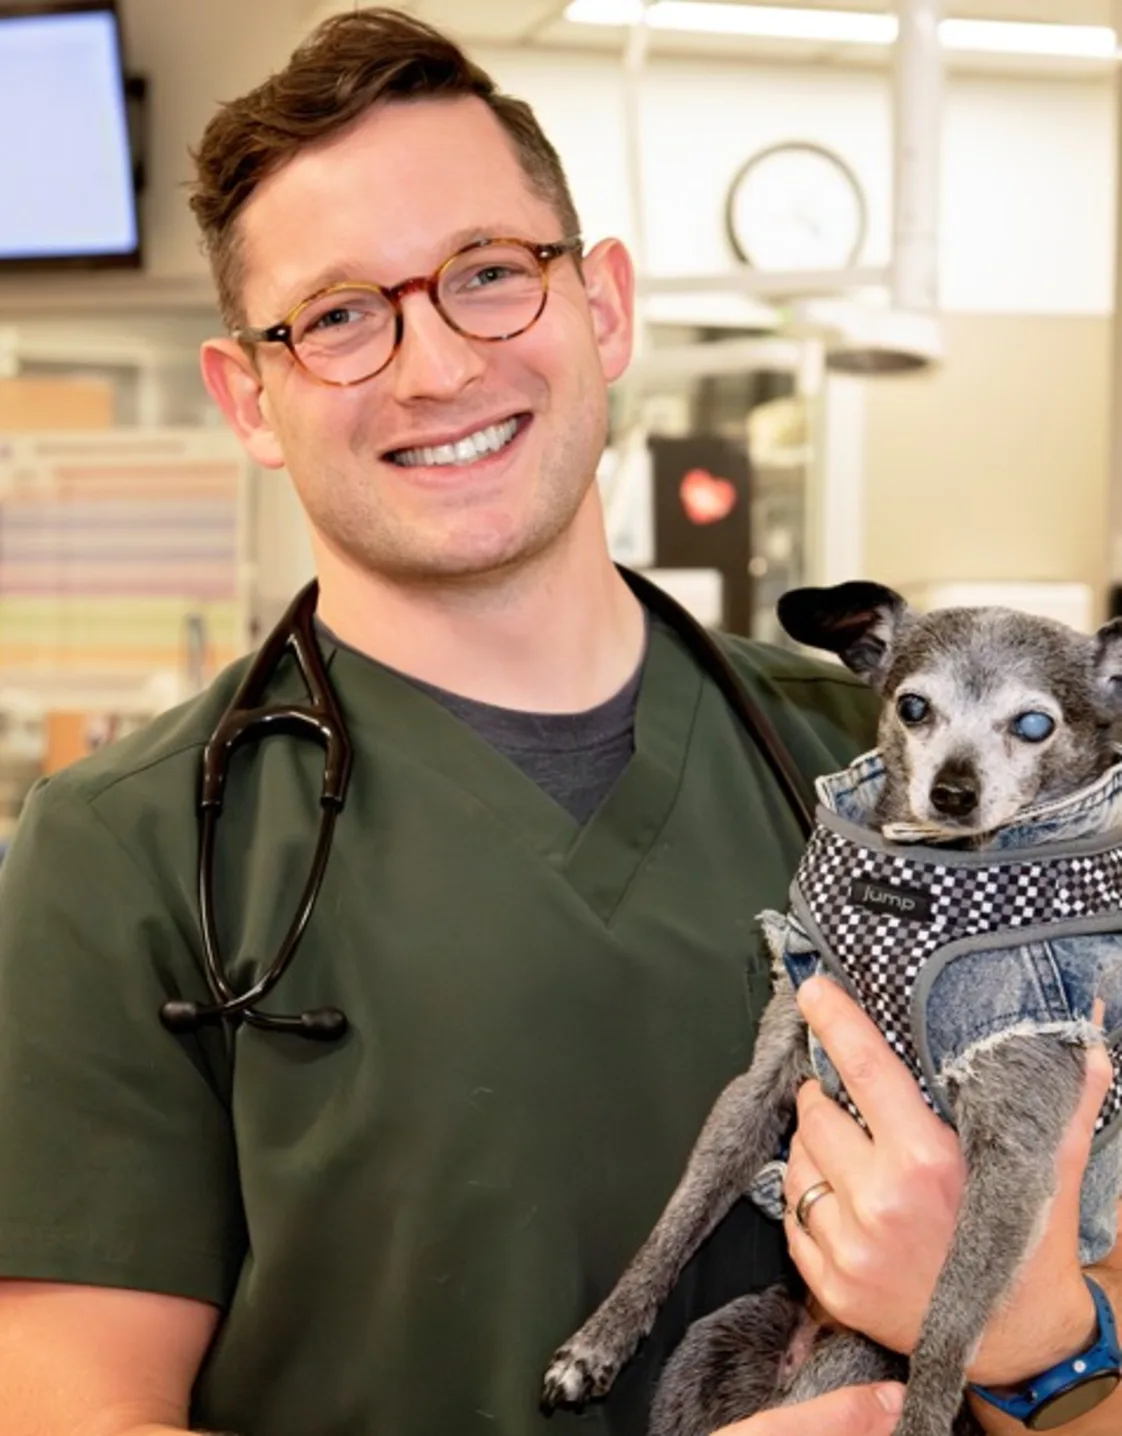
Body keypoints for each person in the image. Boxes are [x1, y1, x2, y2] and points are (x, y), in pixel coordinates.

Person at [0, 8, 1114, 1436]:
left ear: (600, 308)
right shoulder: (130, 851)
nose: (434, 366)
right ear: (250, 397)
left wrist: (1050, 1340)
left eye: (485, 274)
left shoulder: (857, 755)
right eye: (339, 315)